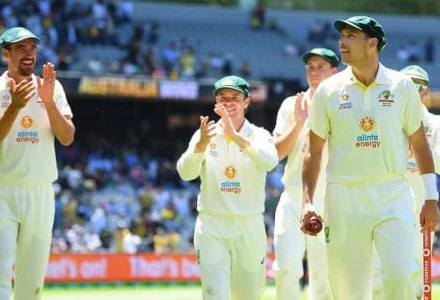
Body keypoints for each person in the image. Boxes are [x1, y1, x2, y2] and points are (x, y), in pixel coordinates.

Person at [300, 16, 439, 299]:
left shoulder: (402, 86)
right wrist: (307, 202)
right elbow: (313, 152)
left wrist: (430, 198)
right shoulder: (328, 90)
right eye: (342, 35)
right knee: (348, 290)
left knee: (400, 277)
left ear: (372, 43)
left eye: (351, 35)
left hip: (392, 193)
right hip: (343, 196)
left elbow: (420, 146)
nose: (342, 41)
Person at [0, 27, 75, 300]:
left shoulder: (52, 86)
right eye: (21, 49)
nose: (28, 55)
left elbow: (67, 137)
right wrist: (13, 106)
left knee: (32, 283)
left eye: (32, 49)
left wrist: (48, 102)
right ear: (6, 54)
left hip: (40, 191)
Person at [176, 75, 278, 299]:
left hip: (249, 224)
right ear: (217, 103)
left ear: (247, 102)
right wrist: (201, 145)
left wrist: (236, 136)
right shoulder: (204, 134)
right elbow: (185, 173)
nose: (229, 102)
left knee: (248, 295)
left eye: (235, 97)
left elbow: (270, 161)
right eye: (223, 98)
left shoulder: (259, 135)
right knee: (214, 294)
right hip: (212, 224)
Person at [272, 48, 339, 300]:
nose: (314, 72)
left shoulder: (343, 106)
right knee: (285, 269)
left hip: (329, 197)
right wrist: (299, 121)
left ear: (335, 72)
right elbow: (276, 153)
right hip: (293, 196)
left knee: (324, 278)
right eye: (310, 67)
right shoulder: (291, 105)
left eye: (321, 66)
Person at [373, 65, 440, 299]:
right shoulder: (386, 120)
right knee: (382, 269)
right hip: (387, 204)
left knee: (418, 272)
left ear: (425, 93)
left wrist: (421, 148)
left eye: (415, 86)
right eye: (405, 85)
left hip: (422, 206)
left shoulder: (436, 124)